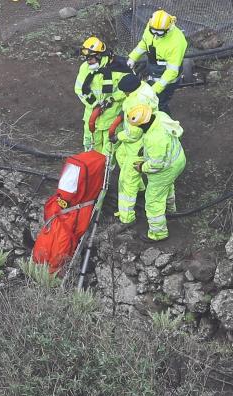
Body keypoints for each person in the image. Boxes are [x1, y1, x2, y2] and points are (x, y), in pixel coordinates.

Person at [113, 104, 185, 242]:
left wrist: (142, 167)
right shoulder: (160, 116)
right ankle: (170, 211)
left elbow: (156, 165)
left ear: (143, 124)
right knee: (167, 187)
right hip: (177, 159)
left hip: (165, 170)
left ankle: (158, 233)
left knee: (153, 201)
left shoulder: (154, 139)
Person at [75, 36, 133, 152]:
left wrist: (111, 99)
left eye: (91, 58)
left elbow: (128, 89)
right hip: (91, 118)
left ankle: (106, 170)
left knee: (109, 151)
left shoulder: (118, 69)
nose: (88, 61)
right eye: (86, 58)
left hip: (111, 118)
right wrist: (95, 105)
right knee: (90, 147)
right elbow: (79, 89)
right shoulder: (85, 68)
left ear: (100, 55)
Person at [126, 9, 188, 113]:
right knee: (154, 100)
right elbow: (144, 43)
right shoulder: (153, 26)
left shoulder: (177, 42)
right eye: (153, 31)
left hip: (167, 79)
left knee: (160, 103)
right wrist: (132, 58)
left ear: (168, 29)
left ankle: (167, 126)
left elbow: (172, 72)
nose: (155, 35)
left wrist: (155, 89)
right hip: (153, 69)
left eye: (159, 33)